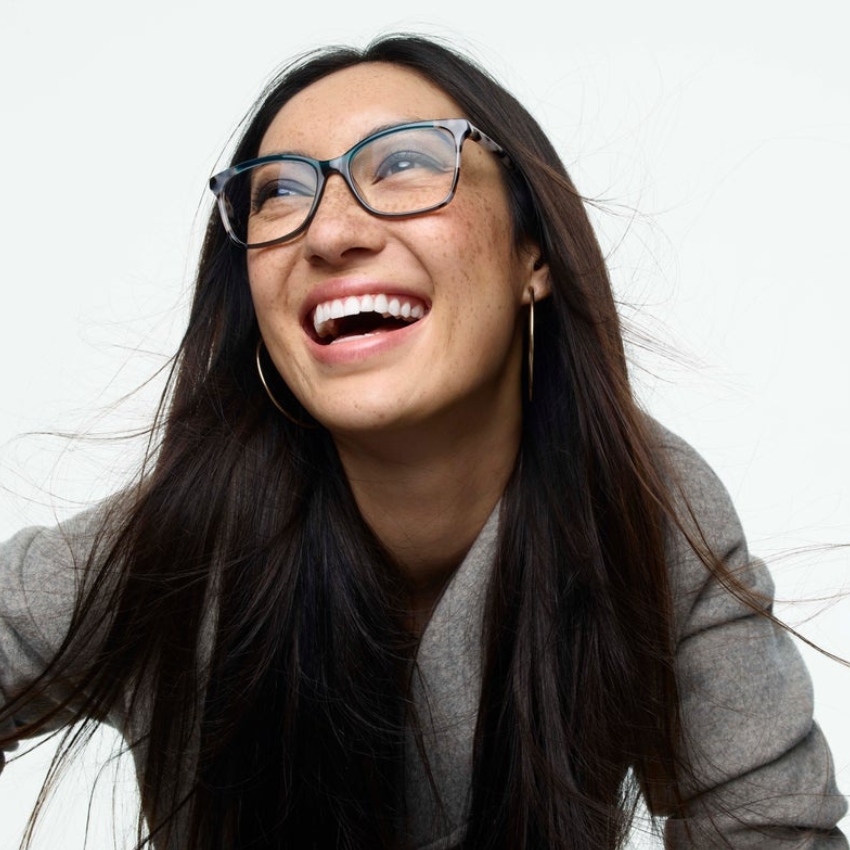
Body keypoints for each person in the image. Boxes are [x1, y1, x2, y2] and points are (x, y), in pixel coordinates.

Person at [0, 34, 846, 850]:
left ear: (533, 253)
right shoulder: (176, 544)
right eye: (279, 192)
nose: (329, 234)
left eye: (404, 162)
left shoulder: (647, 505)